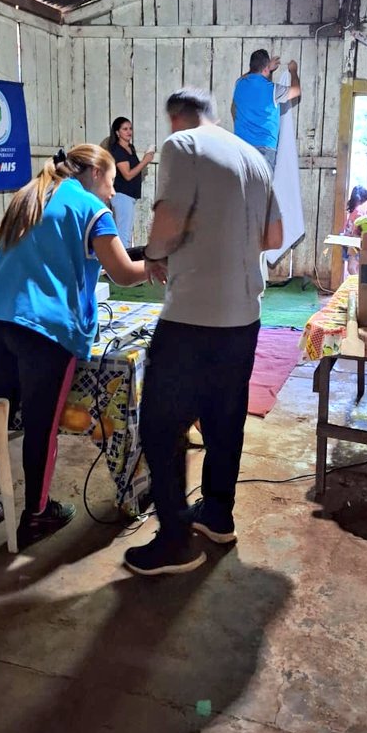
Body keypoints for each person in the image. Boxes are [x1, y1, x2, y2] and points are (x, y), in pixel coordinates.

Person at [123, 88, 283, 576]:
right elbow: (274, 238)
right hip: (244, 316)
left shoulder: (182, 145)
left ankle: (174, 540)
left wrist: (153, 254)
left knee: (159, 425)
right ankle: (217, 515)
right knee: (223, 420)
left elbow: (167, 223)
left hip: (193, 314)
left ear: (179, 118)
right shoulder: (252, 156)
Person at [0, 144, 146, 549]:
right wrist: (156, 265)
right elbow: (121, 273)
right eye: (112, 183)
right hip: (42, 330)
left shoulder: (29, 195)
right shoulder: (91, 208)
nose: (113, 193)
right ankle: (35, 516)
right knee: (41, 427)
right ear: (96, 174)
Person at [231, 49, 301, 171]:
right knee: (261, 188)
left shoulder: (239, 84)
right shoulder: (272, 90)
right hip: (264, 149)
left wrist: (266, 67)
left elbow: (247, 76)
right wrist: (293, 71)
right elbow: (296, 90)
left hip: (241, 148)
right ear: (265, 69)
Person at [103, 116, 155, 248]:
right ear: (117, 132)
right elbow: (128, 175)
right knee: (124, 233)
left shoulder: (130, 148)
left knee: (126, 231)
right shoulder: (118, 150)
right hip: (122, 195)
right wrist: (145, 161)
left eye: (130, 128)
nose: (129, 131)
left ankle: (123, 263)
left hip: (129, 195)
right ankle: (122, 265)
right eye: (124, 129)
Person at [341, 185, 367, 276]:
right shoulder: (357, 210)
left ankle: (357, 287)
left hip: (355, 241)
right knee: (354, 267)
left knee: (351, 268)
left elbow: (358, 229)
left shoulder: (359, 211)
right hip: (353, 241)